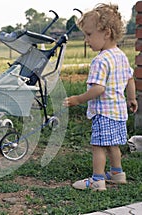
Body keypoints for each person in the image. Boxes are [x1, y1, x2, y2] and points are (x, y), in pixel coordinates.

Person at [63, 3, 138, 191]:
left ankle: (97, 180)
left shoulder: (100, 60)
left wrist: (78, 99)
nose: (86, 40)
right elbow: (130, 78)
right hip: (119, 112)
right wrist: (132, 99)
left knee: (98, 146)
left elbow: (98, 89)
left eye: (89, 35)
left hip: (104, 112)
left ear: (106, 33)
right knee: (113, 145)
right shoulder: (120, 55)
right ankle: (117, 173)